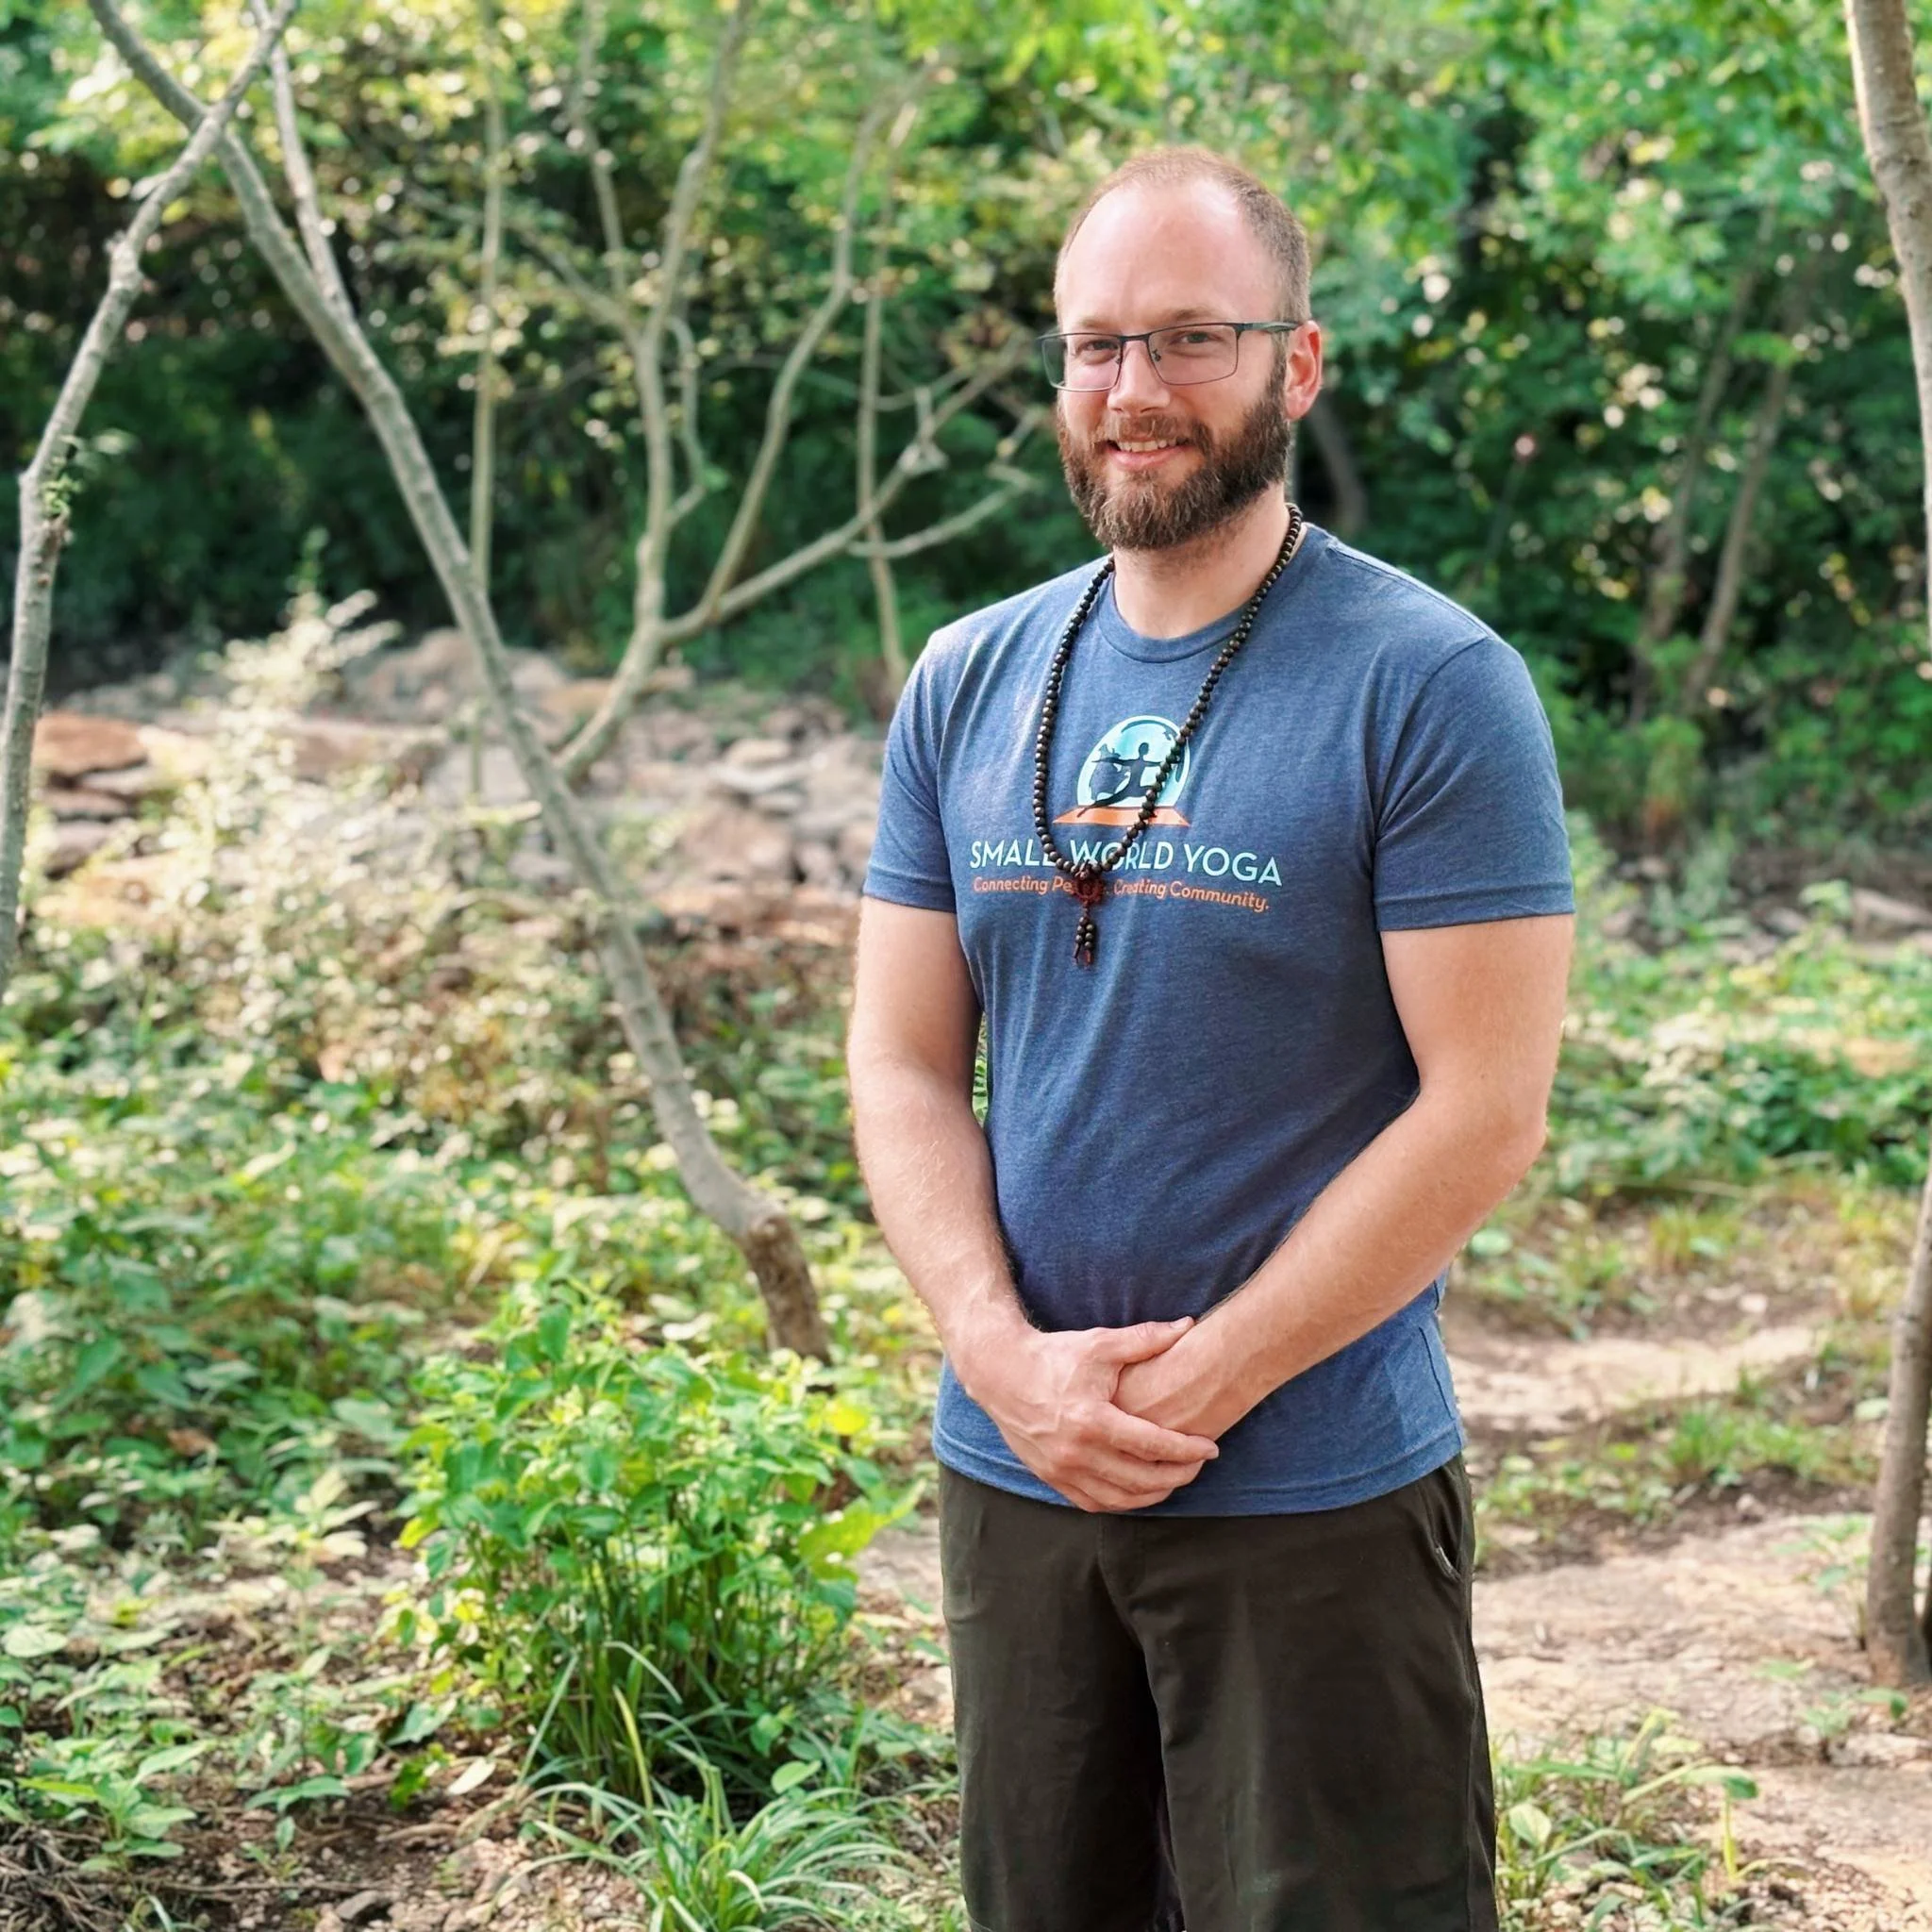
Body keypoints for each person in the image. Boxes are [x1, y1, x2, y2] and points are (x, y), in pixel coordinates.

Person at [845, 145, 1575, 1932]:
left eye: (1190, 340)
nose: (1134, 392)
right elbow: (901, 1064)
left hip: (1311, 1494)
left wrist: (1210, 1380)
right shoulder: (967, 675)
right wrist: (1004, 1360)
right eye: (1098, 347)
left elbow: (1484, 1117)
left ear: (1296, 365)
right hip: (1016, 1479)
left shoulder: (1429, 682)